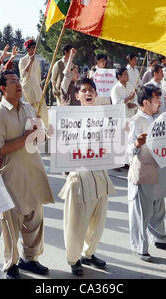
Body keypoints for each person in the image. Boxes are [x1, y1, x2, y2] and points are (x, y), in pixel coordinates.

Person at [0, 69, 55, 279]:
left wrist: (42, 134)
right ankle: (11, 264)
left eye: (18, 80)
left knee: (34, 219)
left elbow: (36, 139)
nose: (18, 84)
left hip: (33, 171)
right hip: (11, 175)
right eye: (12, 81)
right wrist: (25, 138)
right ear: (2, 88)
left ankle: (30, 259)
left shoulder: (28, 108)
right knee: (10, 223)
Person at [58, 78, 116, 276]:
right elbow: (59, 146)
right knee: (76, 225)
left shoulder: (106, 117)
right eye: (84, 90)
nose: (88, 93)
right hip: (79, 179)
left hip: (100, 177)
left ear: (96, 94)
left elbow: (115, 144)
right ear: (77, 95)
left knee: (97, 224)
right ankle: (74, 260)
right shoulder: (68, 119)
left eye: (91, 90)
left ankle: (88, 254)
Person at [127, 84, 166, 262]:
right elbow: (126, 151)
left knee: (158, 209)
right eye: (157, 100)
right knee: (142, 212)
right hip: (144, 172)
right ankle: (139, 247)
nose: (160, 103)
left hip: (161, 169)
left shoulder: (159, 119)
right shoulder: (135, 122)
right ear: (146, 102)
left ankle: (160, 238)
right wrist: (136, 144)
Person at [19, 40, 48, 128]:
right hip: (28, 91)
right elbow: (23, 75)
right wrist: (29, 62)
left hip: (37, 90)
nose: (34, 49)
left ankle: (46, 130)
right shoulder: (22, 60)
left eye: (35, 47)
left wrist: (41, 86)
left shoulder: (37, 61)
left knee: (43, 112)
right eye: (32, 47)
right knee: (30, 113)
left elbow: (38, 76)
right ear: (28, 49)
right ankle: (30, 132)